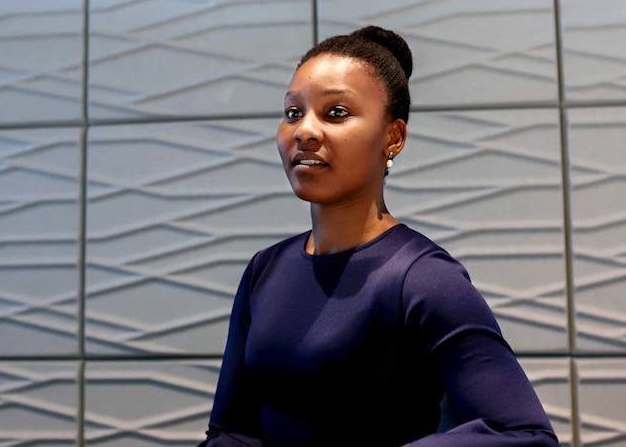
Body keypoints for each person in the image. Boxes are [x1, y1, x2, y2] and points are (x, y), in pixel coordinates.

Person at [199, 26, 559, 446]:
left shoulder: (423, 278)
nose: (304, 131)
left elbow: (524, 434)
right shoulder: (265, 269)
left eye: (335, 113)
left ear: (393, 137)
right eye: (294, 112)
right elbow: (231, 432)